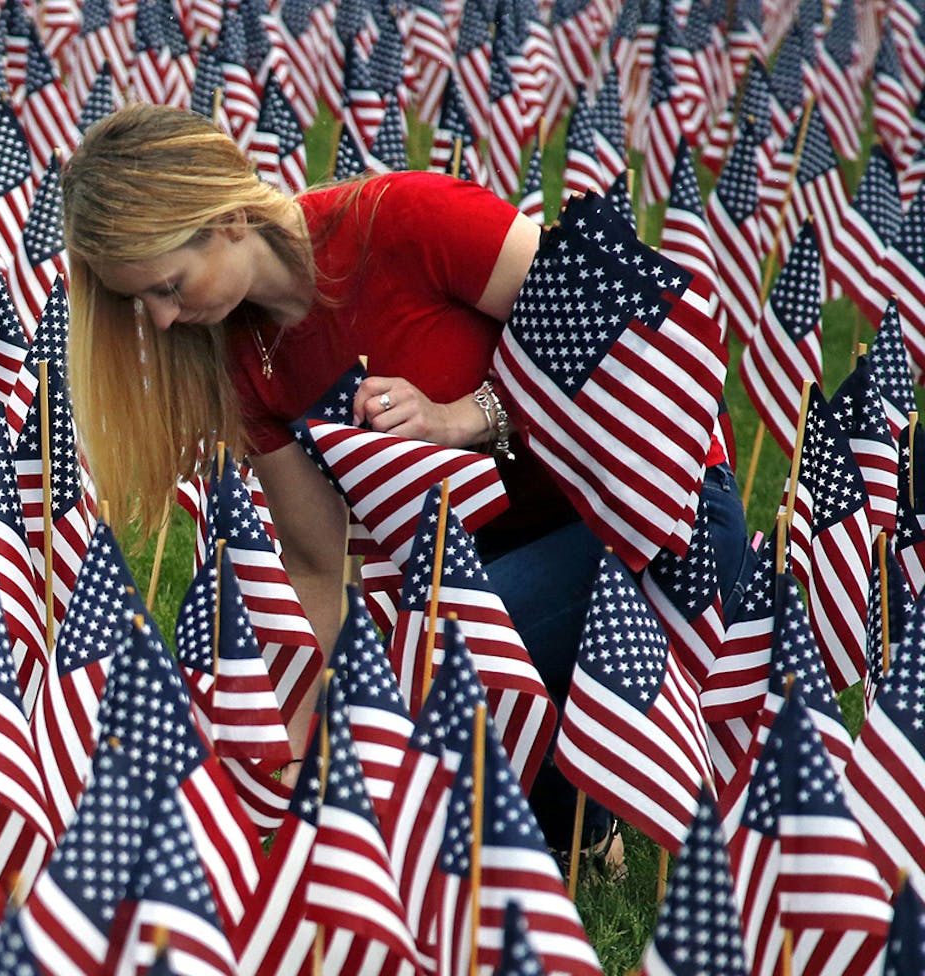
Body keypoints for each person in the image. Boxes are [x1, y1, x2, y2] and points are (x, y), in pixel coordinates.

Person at [61, 104, 747, 858]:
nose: (160, 320)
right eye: (142, 302)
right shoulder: (243, 357)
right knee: (399, 714)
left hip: (661, 512)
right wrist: (299, 749)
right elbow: (315, 565)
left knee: (428, 686)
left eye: (167, 285)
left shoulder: (403, 221)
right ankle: (580, 813)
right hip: (488, 569)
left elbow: (638, 340)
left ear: (224, 219)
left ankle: (588, 781)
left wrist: (470, 414)